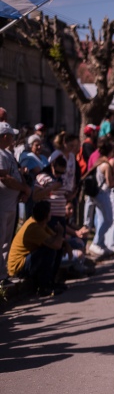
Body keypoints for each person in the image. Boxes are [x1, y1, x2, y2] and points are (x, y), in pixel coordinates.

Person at [7, 200, 64, 297]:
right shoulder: (34, 227)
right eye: (50, 211)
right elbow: (56, 244)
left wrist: (66, 244)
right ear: (46, 216)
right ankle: (44, 287)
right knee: (49, 250)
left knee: (53, 248)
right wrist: (61, 232)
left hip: (27, 261)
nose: (52, 213)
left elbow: (56, 240)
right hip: (18, 268)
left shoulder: (40, 224)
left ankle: (51, 282)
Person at [0, 121, 30, 282]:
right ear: (5, 136)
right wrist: (23, 188)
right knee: (1, 238)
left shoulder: (8, 153)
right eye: (11, 135)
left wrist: (24, 188)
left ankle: (3, 274)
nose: (13, 138)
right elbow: (4, 177)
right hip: (2, 204)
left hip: (11, 203)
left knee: (6, 240)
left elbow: (16, 172)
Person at [87, 141, 114, 257]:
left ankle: (101, 244)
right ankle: (96, 243)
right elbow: (110, 183)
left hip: (97, 193)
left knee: (101, 219)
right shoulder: (107, 165)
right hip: (103, 193)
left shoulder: (99, 162)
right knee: (108, 220)